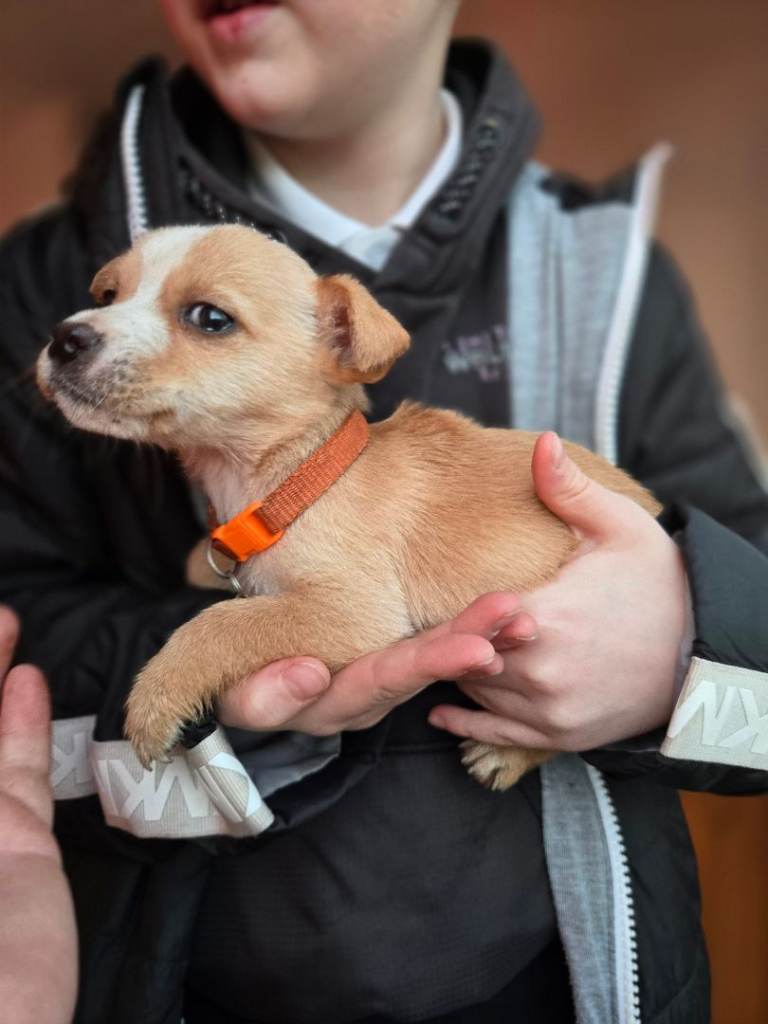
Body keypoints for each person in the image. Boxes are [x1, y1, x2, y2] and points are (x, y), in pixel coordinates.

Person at [0, 1, 766, 1021]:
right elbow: (26, 626)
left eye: (209, 318)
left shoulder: (612, 274)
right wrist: (218, 687)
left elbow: (756, 649)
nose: (93, 318)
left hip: (568, 984)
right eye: (111, 291)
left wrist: (676, 645)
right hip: (185, 979)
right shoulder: (35, 277)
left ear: (339, 343)